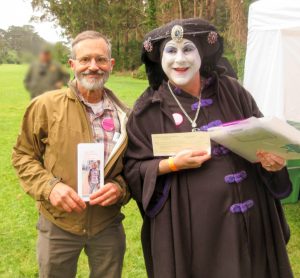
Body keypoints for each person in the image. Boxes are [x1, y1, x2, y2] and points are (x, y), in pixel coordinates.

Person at [124, 18, 293, 278]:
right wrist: (170, 164)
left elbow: (265, 140)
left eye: (188, 49)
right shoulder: (146, 111)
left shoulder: (233, 91)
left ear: (202, 53)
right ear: (160, 58)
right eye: (171, 50)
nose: (180, 59)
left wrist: (273, 162)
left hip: (251, 220)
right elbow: (133, 169)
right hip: (194, 235)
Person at [12, 31, 130, 278]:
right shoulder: (45, 106)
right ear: (72, 64)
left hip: (106, 225)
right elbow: (23, 155)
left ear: (111, 64)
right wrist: (50, 187)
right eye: (85, 59)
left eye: (100, 59)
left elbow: (135, 168)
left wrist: (120, 188)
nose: (93, 67)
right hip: (58, 224)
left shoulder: (125, 115)